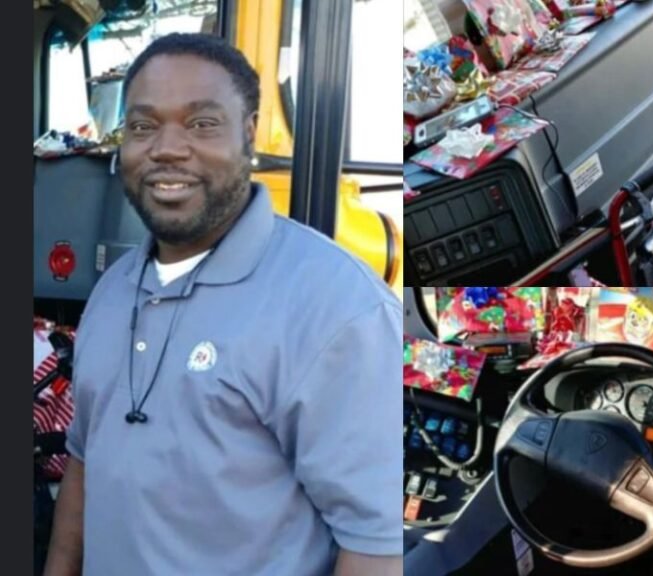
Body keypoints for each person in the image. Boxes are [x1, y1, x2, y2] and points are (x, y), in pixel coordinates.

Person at [43, 33, 402, 576]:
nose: (166, 148)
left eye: (202, 123)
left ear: (249, 134)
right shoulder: (113, 292)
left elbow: (374, 546)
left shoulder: (338, 308)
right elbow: (84, 468)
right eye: (142, 126)